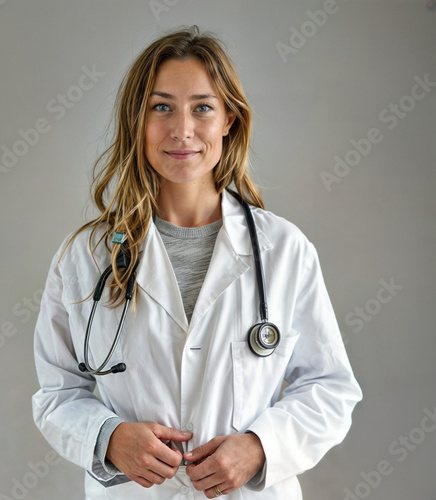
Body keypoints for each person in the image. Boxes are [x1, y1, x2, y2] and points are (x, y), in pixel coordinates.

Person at [32, 26, 362, 500]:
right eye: (161, 106)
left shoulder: (284, 251)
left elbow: (331, 389)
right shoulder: (86, 258)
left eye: (202, 107)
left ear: (229, 119)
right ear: (137, 121)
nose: (181, 129)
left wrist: (260, 447)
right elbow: (56, 394)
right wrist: (108, 438)